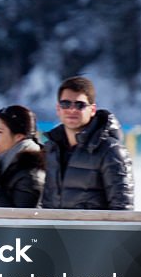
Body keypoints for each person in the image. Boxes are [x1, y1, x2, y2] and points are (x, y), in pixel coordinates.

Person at [41, 76, 133, 210]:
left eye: (79, 105)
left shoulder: (111, 151)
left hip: (92, 230)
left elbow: (123, 210)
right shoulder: (51, 149)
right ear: (58, 109)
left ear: (92, 110)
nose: (72, 110)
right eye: (66, 104)